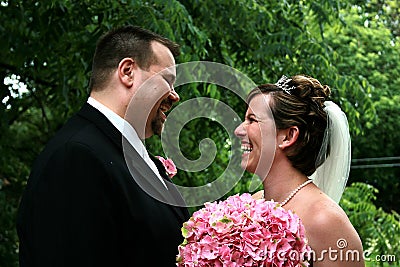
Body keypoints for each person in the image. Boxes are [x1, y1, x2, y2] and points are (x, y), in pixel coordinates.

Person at [17, 25, 189, 267]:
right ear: (127, 72)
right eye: (167, 81)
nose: (175, 95)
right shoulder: (76, 157)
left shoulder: (130, 157)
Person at [234, 75, 365, 266]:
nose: (239, 130)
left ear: (288, 136)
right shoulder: (252, 204)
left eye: (252, 120)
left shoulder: (325, 220)